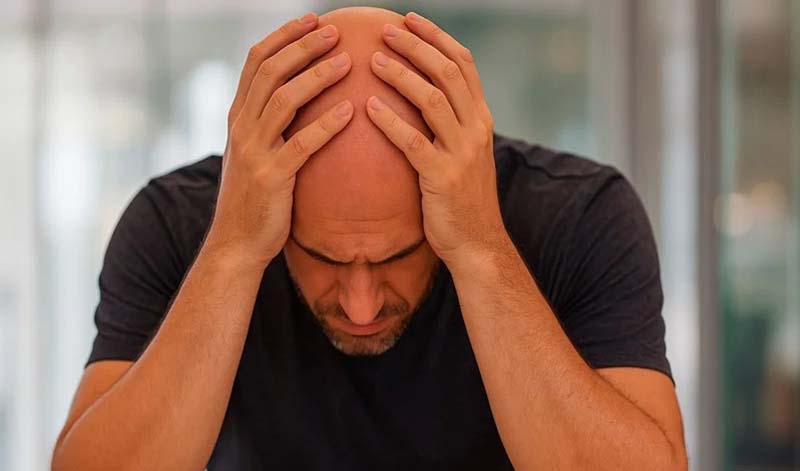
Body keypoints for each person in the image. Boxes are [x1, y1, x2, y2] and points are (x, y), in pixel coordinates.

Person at [51, 6, 687, 471]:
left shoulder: (579, 216)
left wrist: (479, 248)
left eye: (400, 255)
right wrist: (235, 249)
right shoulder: (179, 225)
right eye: (321, 257)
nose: (360, 307)